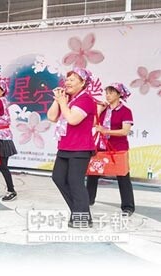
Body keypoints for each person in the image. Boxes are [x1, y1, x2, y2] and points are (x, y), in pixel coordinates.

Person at [47, 67, 96, 228]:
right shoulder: (69, 99)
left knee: (75, 182)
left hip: (80, 148)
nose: (67, 82)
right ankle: (79, 212)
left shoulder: (86, 100)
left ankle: (81, 217)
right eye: (67, 79)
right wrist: (57, 99)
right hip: (65, 146)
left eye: (72, 79)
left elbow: (73, 119)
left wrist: (63, 103)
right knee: (58, 178)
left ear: (82, 83)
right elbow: (52, 117)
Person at [86, 83, 135, 216]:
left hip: (118, 148)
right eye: (106, 92)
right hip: (100, 146)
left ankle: (128, 206)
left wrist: (106, 130)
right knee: (93, 173)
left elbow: (125, 131)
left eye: (111, 93)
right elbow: (93, 124)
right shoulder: (103, 109)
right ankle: (88, 200)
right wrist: (99, 110)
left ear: (119, 94)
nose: (107, 95)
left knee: (123, 176)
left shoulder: (125, 111)